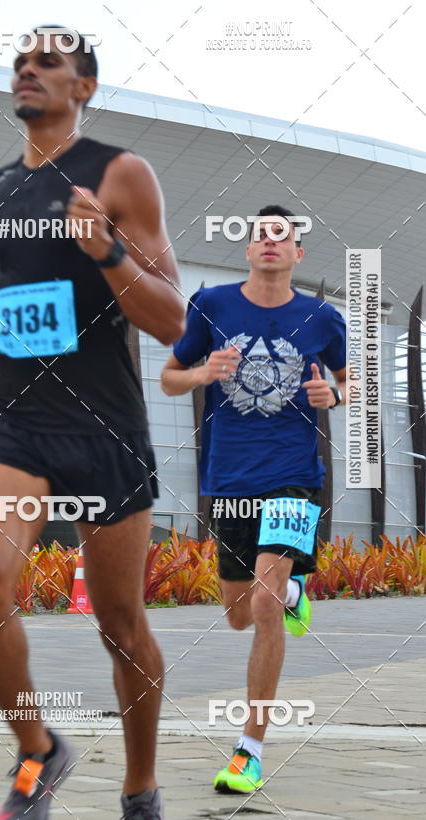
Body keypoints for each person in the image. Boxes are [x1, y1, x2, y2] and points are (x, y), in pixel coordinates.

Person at [0, 25, 184, 820]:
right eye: (20, 62)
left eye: (47, 62)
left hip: (105, 426)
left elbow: (173, 321)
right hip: (19, 420)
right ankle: (39, 750)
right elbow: (14, 291)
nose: (28, 70)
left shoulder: (120, 174)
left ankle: (140, 786)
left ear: (83, 87)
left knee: (120, 626)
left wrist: (109, 253)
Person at [161, 205, 347, 793]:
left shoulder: (323, 317)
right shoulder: (212, 305)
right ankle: (293, 592)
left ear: (297, 253)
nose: (270, 243)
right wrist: (202, 374)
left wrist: (334, 394)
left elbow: (351, 381)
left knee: (263, 604)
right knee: (240, 614)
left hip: (294, 476)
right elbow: (169, 375)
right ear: (246, 250)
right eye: (259, 235)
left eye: (281, 236)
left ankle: (249, 752)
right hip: (229, 481)